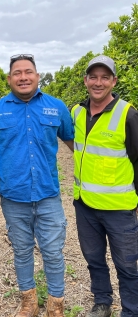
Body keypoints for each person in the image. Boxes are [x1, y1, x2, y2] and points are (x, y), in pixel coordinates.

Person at [0, 54, 74, 317]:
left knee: (53, 252)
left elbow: (73, 144)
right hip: (13, 197)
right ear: (9, 78)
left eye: (28, 72)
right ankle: (29, 302)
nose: (23, 77)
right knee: (22, 252)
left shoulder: (56, 107)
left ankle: (56, 304)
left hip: (48, 194)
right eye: (17, 73)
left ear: (37, 75)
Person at [71, 55, 138, 317]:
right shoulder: (76, 112)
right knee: (95, 260)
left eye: (105, 77)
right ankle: (102, 302)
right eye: (93, 77)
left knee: (127, 265)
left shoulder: (128, 114)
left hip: (119, 208)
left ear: (114, 81)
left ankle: (131, 310)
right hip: (85, 205)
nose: (98, 83)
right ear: (86, 80)